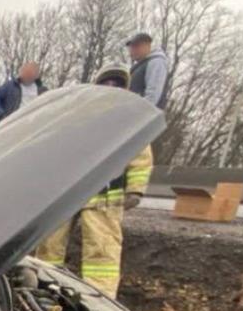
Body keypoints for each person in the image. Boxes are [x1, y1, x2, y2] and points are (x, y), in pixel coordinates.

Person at [33, 64, 153, 298]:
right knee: (49, 246)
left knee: (102, 252)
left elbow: (141, 155)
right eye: (106, 84)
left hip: (105, 196)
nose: (111, 88)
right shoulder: (80, 115)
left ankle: (100, 300)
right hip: (69, 192)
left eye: (117, 85)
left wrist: (136, 189)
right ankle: (44, 291)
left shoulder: (130, 119)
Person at [125, 32, 168, 108]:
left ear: (148, 46)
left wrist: (142, 111)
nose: (132, 50)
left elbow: (152, 94)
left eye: (136, 46)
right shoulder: (141, 65)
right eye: (131, 47)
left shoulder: (156, 62)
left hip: (144, 113)